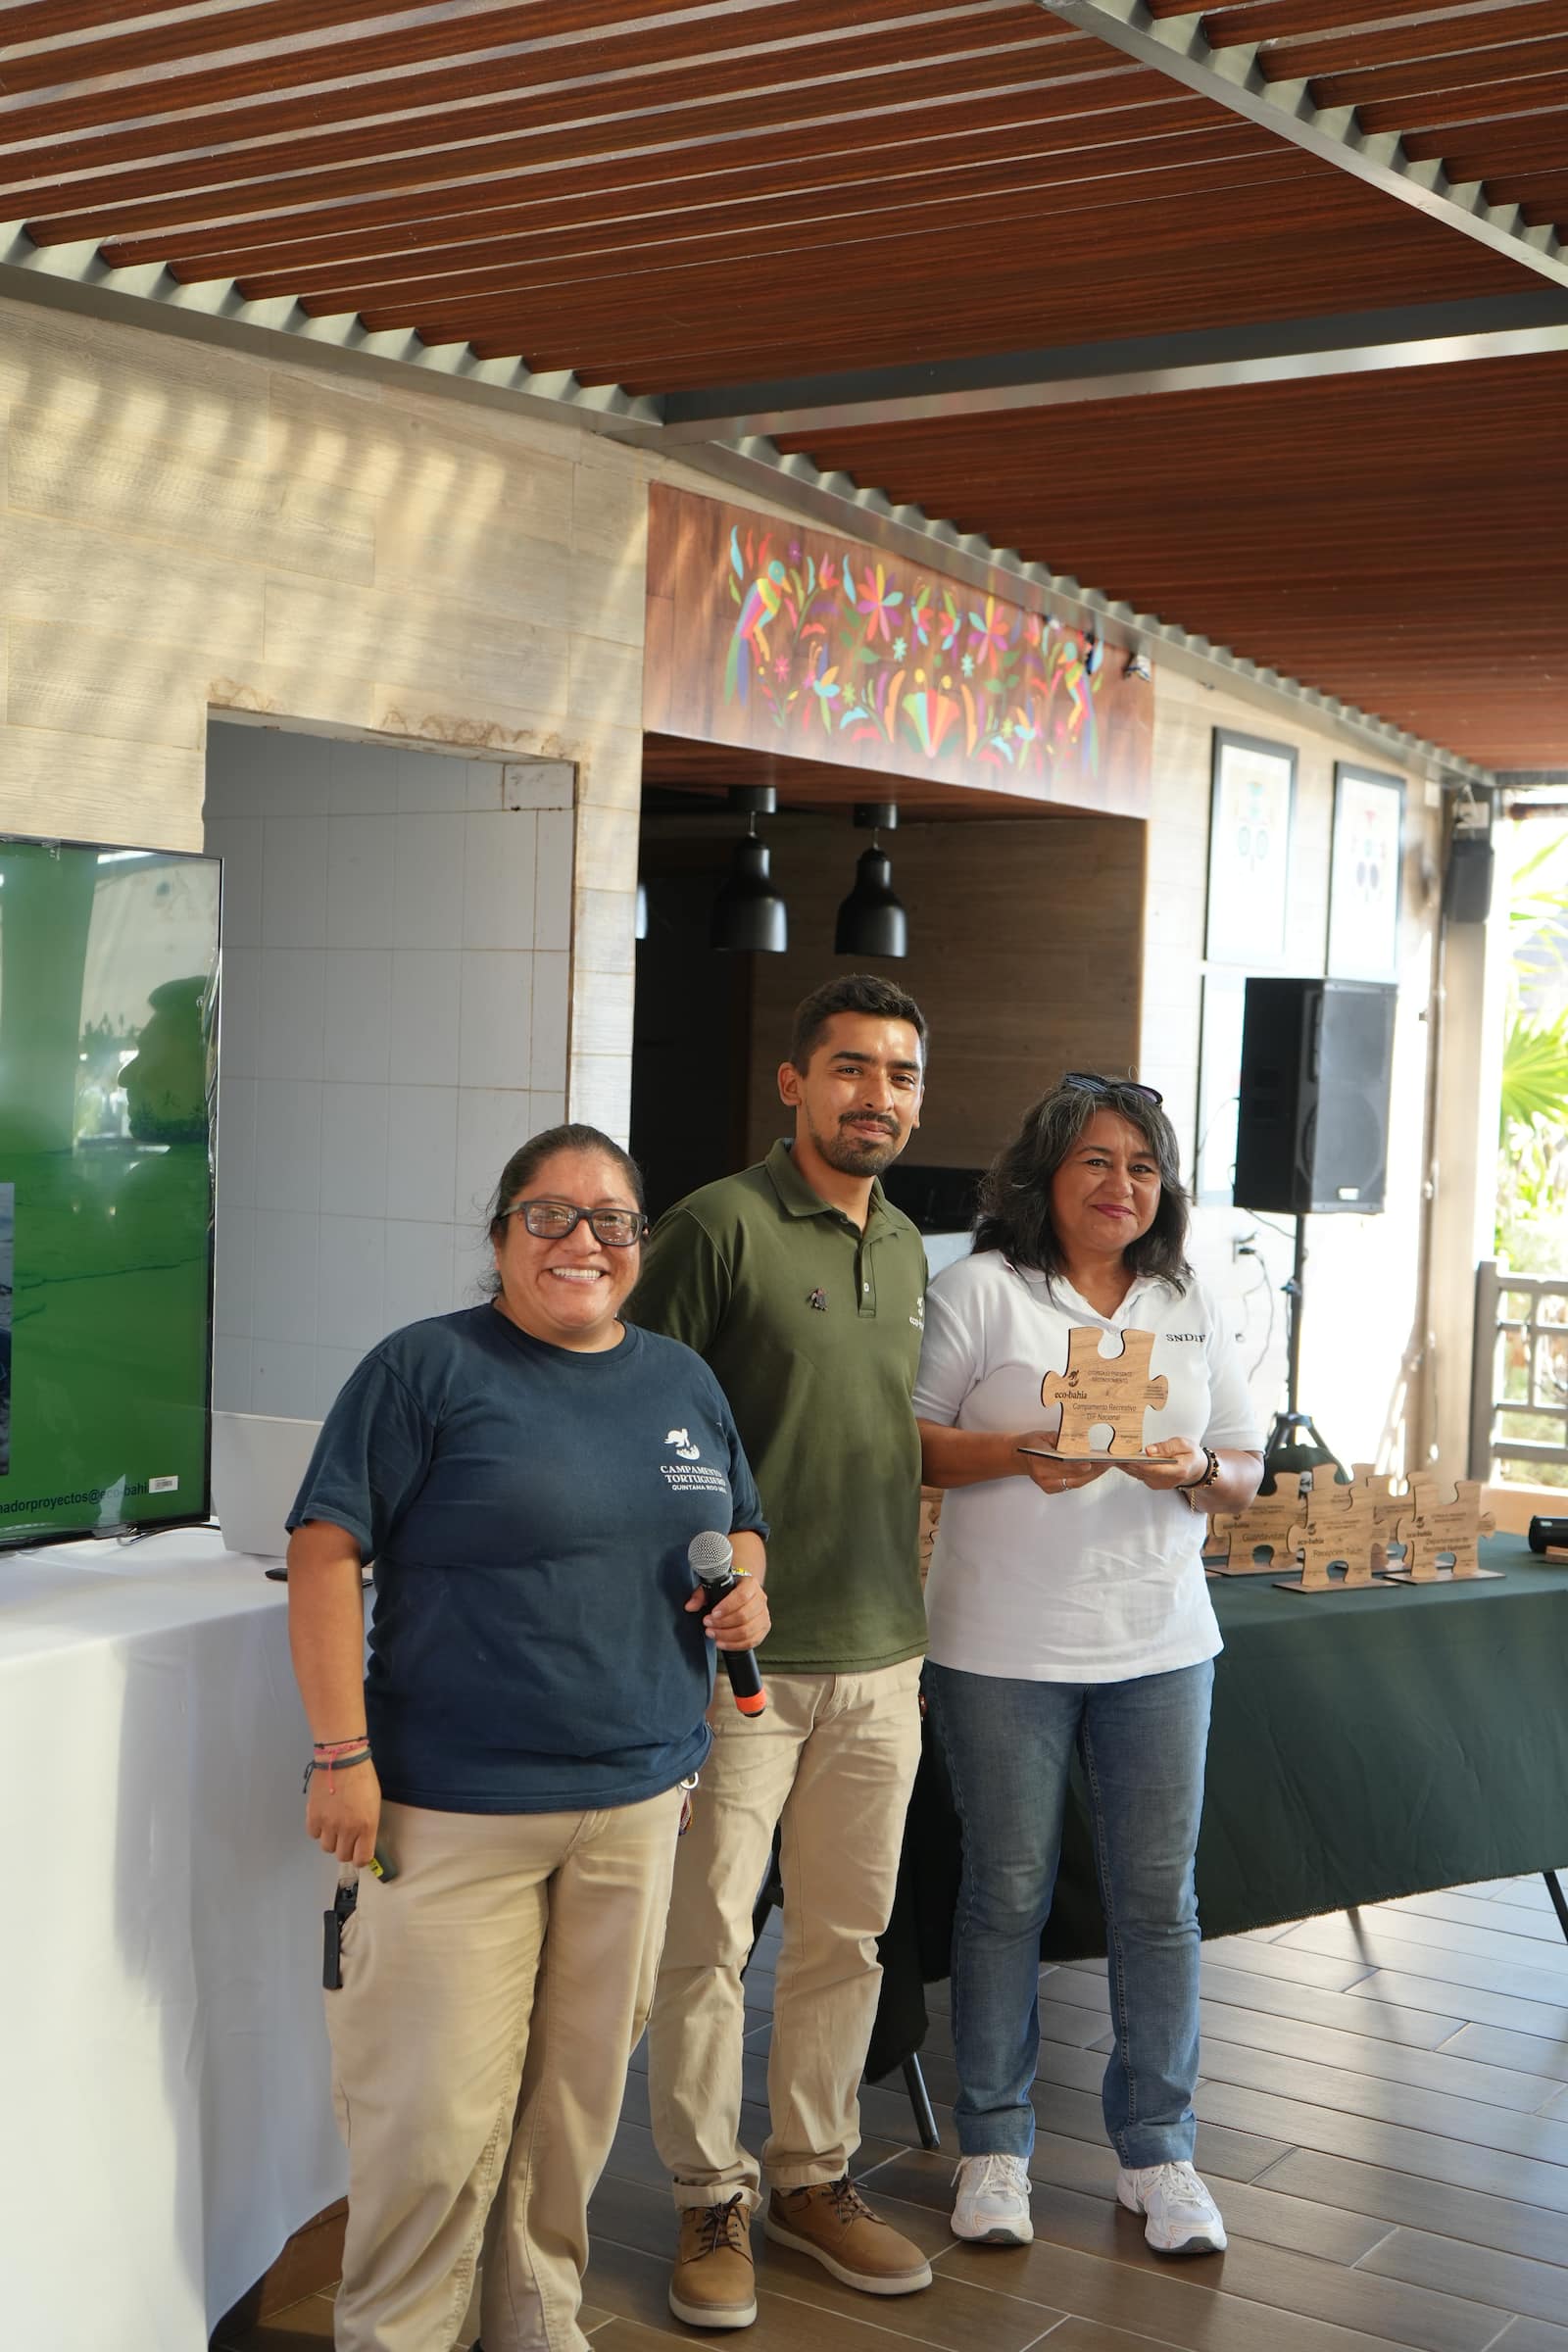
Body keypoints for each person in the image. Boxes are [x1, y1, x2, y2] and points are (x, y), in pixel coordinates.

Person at [284, 1122, 770, 2352]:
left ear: (640, 1241)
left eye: (611, 1219)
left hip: (637, 1805)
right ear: (500, 1233)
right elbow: (324, 1551)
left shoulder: (679, 1379)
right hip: (453, 1811)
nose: (581, 1240)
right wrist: (340, 1753)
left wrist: (748, 1590)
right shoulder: (425, 1369)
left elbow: (739, 1525)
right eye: (549, 1214)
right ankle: (396, 2336)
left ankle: (535, 2322)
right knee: (432, 2124)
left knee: (573, 2113)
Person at [914, 1074, 1264, 2258]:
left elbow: (1241, 1463)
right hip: (997, 1646)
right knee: (1005, 1892)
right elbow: (908, 1442)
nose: (1122, 1185)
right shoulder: (977, 1288)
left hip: (1160, 1642)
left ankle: (1158, 2153)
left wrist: (1193, 1473)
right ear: (1044, 1174)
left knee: (1157, 1903)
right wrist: (1019, 1452)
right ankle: (994, 2147)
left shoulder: (1186, 1295)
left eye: (1143, 1167)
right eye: (1097, 1162)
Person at [629, 974, 934, 2330]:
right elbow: (638, 1420)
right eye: (852, 1067)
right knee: (703, 1942)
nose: (879, 1095)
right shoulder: (716, 1226)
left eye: (902, 1074)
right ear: (794, 1082)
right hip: (736, 1664)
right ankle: (709, 2196)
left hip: (884, 1654)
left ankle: (813, 2176)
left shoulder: (910, 1245)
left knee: (845, 1939)